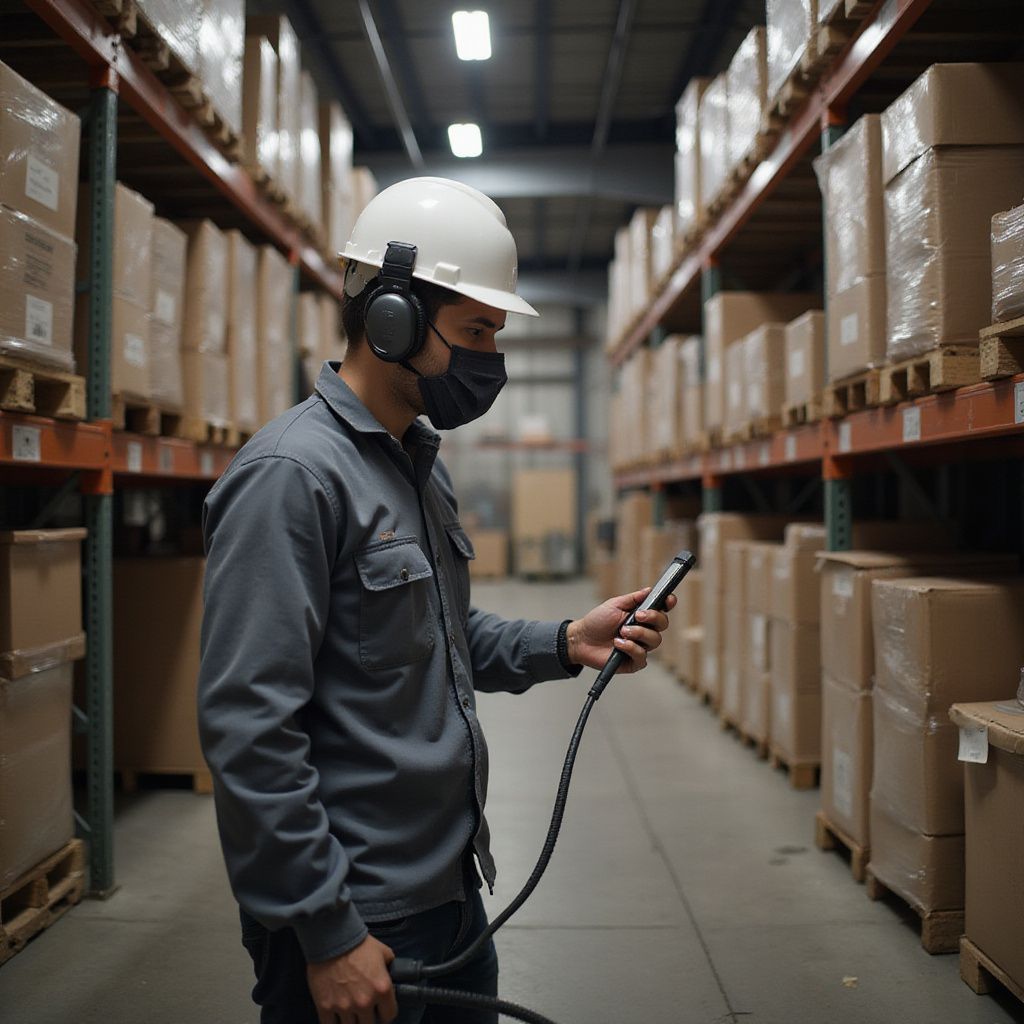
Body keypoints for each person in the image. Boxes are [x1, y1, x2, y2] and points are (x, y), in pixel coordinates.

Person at [198, 176, 676, 1024]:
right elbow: (248, 730)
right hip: (358, 921)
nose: (491, 359)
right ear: (392, 318)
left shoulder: (417, 464)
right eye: (477, 331)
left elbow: (440, 636)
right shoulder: (291, 479)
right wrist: (327, 931)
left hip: (452, 889)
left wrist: (567, 640)